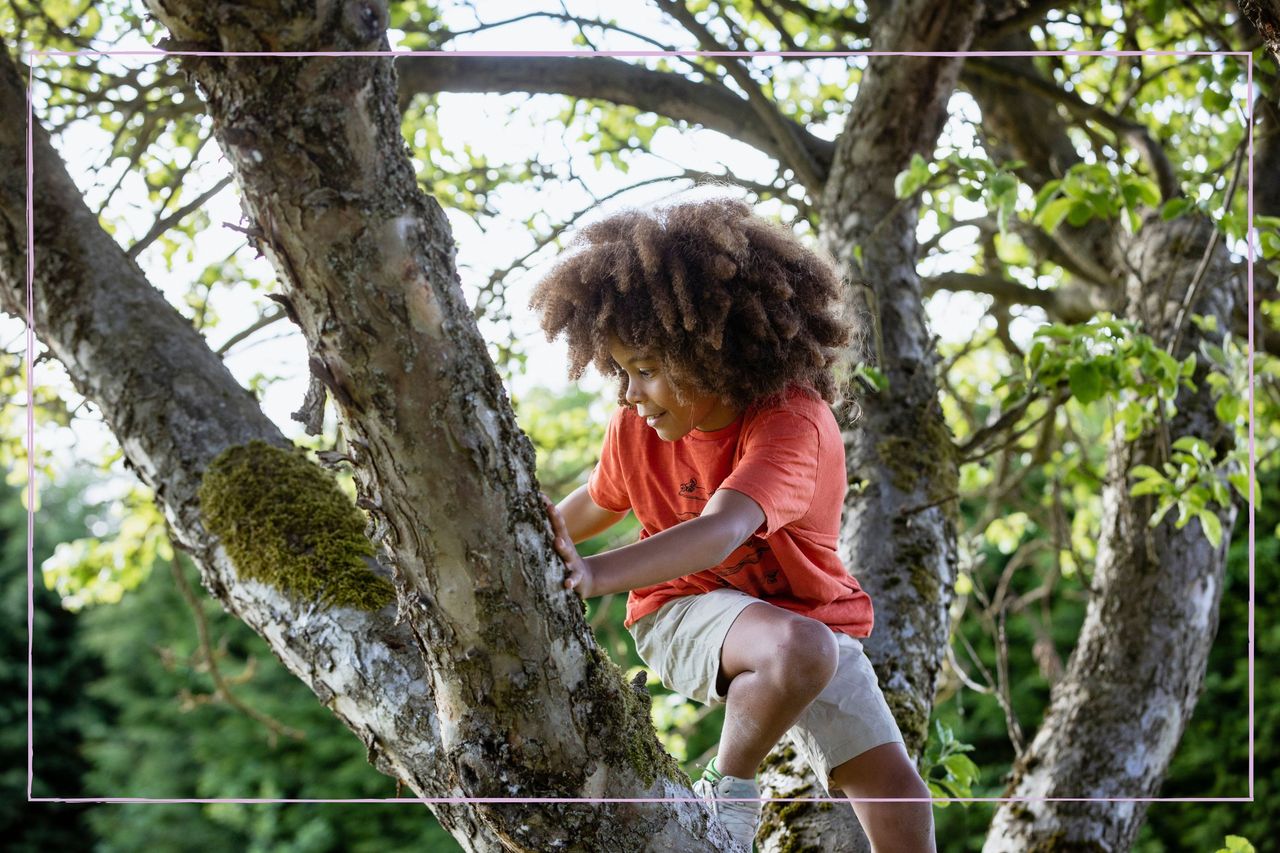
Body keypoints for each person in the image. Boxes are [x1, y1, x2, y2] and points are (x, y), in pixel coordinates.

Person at [530, 197, 935, 852]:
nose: (629, 394)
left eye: (646, 370)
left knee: (897, 791)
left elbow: (723, 528)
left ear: (711, 354)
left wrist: (592, 573)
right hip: (681, 608)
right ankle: (729, 795)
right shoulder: (637, 426)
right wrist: (539, 542)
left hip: (803, 622)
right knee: (800, 647)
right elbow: (598, 502)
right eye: (620, 372)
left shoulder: (789, 421)